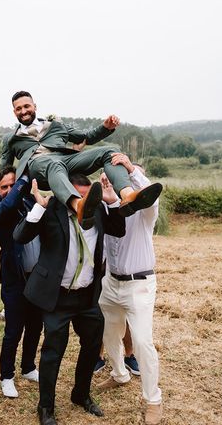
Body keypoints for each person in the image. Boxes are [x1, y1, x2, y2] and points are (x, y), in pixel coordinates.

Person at [14, 174, 125, 425]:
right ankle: (45, 408)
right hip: (57, 297)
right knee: (53, 351)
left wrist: (112, 200)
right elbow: (20, 236)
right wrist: (39, 207)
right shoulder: (51, 208)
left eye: (87, 196)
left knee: (91, 346)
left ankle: (81, 395)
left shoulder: (96, 209)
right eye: (78, 195)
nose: (83, 201)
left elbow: (119, 229)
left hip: (87, 296)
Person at [0, 90, 162, 226]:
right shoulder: (10, 138)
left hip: (65, 161)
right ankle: (79, 206)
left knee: (110, 151)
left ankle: (127, 195)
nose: (23, 111)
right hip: (38, 168)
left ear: (34, 106)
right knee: (53, 163)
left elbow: (86, 137)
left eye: (26, 106)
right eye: (18, 109)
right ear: (14, 112)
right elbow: (3, 169)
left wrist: (105, 128)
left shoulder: (55, 126)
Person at [97, 154, 163, 425]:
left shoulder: (144, 213)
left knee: (143, 342)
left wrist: (130, 169)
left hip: (139, 285)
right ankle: (120, 374)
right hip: (111, 283)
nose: (109, 183)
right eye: (107, 180)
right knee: (110, 335)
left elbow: (152, 195)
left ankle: (153, 400)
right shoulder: (103, 210)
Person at [0, 166, 43, 398]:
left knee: (35, 326)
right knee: (13, 330)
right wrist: (24, 177)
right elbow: (7, 205)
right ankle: (6, 377)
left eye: (12, 185)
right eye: (3, 187)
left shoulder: (29, 202)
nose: (9, 190)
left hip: (37, 278)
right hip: (14, 279)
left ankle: (28, 367)